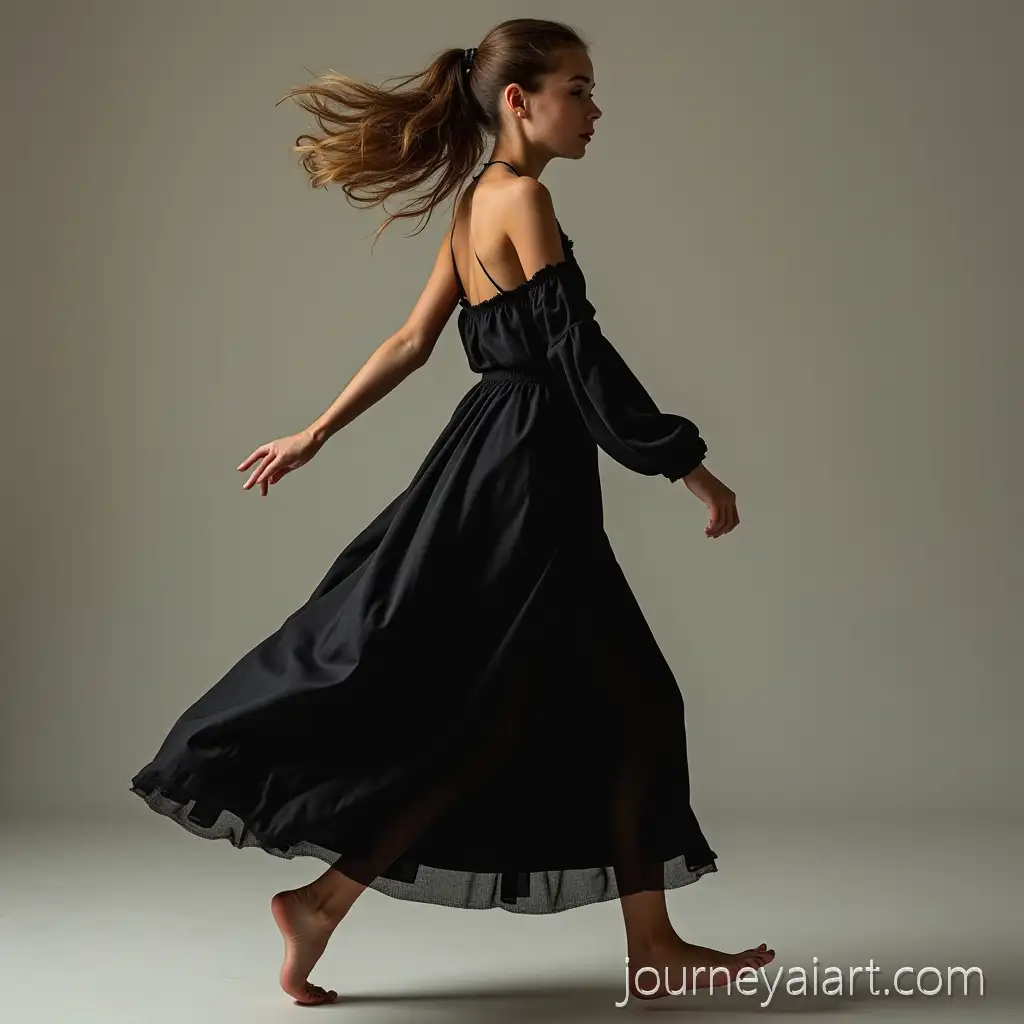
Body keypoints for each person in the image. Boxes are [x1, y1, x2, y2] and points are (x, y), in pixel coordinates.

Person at [130, 17, 774, 1006]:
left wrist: (315, 430)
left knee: (505, 718)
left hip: (497, 465)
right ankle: (645, 946)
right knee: (618, 702)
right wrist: (687, 468)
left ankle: (329, 904)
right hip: (526, 481)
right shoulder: (523, 200)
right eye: (577, 88)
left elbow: (411, 340)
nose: (595, 109)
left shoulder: (478, 201)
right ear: (520, 100)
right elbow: (579, 358)